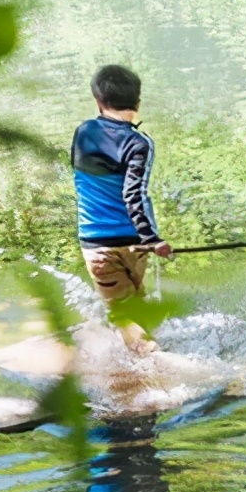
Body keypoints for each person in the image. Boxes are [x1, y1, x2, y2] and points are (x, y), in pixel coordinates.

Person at [71, 64, 173, 353]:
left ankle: (154, 374)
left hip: (97, 244)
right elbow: (134, 194)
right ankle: (150, 363)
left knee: (125, 315)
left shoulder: (84, 133)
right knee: (136, 308)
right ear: (138, 102)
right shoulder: (139, 143)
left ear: (98, 101)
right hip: (135, 242)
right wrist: (152, 239)